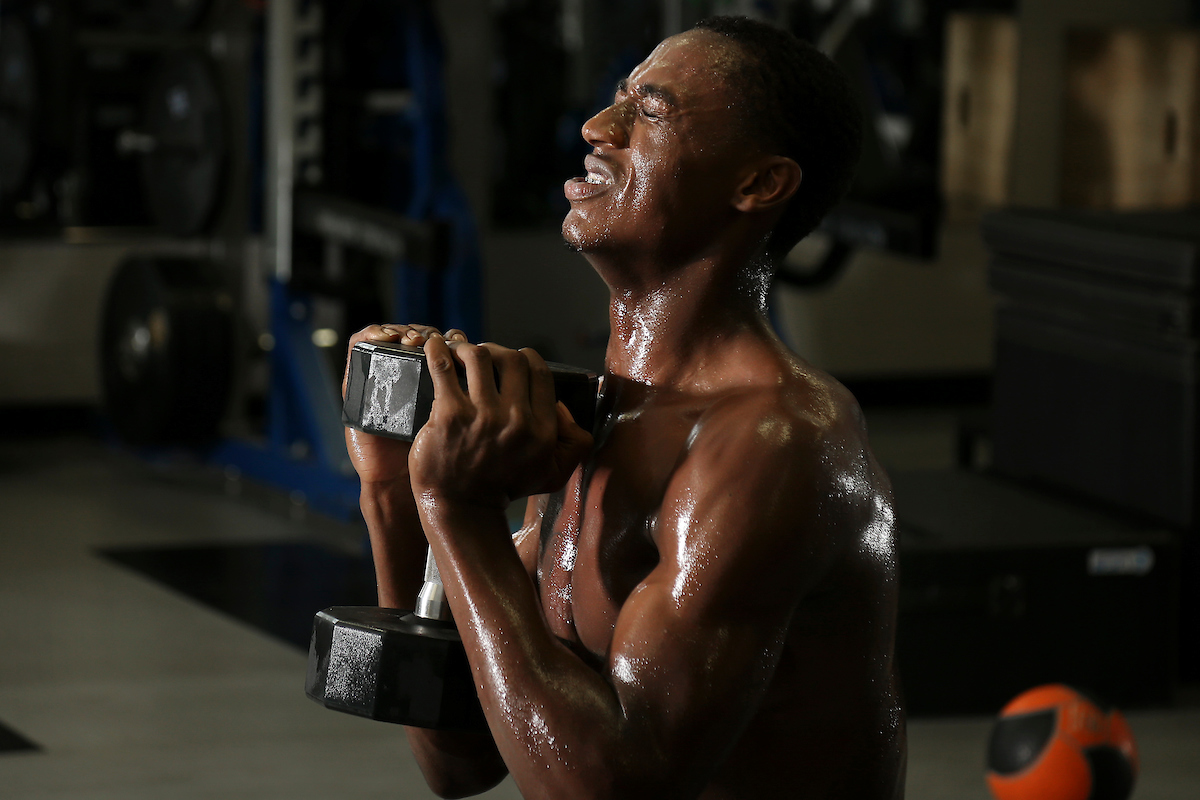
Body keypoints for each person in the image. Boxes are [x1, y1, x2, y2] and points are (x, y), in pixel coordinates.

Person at [344, 15, 905, 800]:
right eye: (616, 101)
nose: (595, 127)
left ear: (758, 184)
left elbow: (613, 790)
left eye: (648, 112)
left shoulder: (777, 444)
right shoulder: (599, 413)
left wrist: (460, 509)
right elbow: (460, 758)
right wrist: (397, 493)